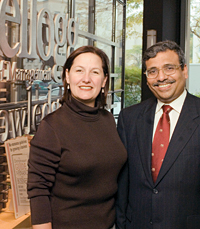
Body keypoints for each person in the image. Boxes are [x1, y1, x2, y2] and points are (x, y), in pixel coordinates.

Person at [27, 45, 127, 229]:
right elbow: (38, 190)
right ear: (67, 76)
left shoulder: (108, 120)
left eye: (95, 72)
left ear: (104, 80)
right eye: (79, 70)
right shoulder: (52, 127)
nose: (86, 79)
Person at [115, 40, 200, 229]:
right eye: (152, 71)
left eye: (169, 68)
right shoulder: (129, 118)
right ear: (146, 78)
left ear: (184, 70)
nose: (161, 77)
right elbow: (123, 183)